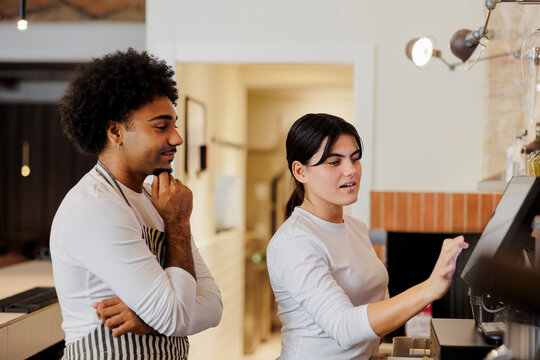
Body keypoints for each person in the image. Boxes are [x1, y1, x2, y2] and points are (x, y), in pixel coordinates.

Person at [50, 48, 222, 359]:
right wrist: (178, 225)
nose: (177, 138)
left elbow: (212, 306)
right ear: (115, 131)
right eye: (161, 126)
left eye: (175, 125)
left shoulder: (157, 200)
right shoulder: (95, 208)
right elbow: (175, 317)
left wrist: (151, 320)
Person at [266, 113, 468, 360]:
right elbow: (344, 327)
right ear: (300, 172)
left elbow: (375, 312)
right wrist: (429, 288)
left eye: (355, 158)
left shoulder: (356, 228)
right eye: (334, 162)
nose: (351, 170)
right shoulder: (293, 243)